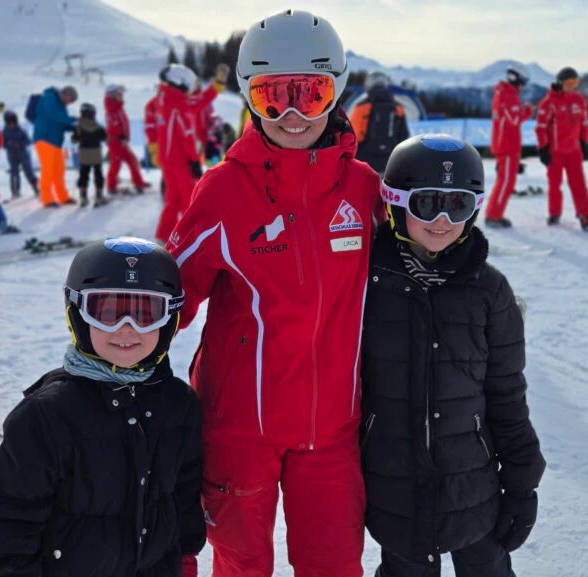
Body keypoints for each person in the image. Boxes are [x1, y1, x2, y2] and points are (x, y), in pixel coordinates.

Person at [166, 11, 381, 577]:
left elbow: (411, 268)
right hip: (239, 434)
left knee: (334, 565)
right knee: (241, 565)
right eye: (271, 97)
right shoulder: (222, 191)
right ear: (248, 97)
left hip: (332, 430)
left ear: (335, 93)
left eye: (309, 96)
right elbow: (170, 300)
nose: (290, 115)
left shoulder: (362, 190)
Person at [363, 134, 546, 577]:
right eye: (427, 203)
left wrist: (522, 484)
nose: (443, 220)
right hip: (395, 490)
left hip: (475, 491)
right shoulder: (366, 285)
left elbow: (507, 393)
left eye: (459, 205)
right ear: (394, 202)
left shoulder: (490, 292)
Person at [0, 237, 206, 577]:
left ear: (169, 319)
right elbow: (5, 527)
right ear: (78, 315)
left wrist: (183, 556)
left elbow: (182, 494)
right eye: (107, 312)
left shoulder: (179, 405)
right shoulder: (46, 417)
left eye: (145, 313)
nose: (127, 329)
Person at [152, 63, 224, 244]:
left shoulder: (166, 100)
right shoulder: (179, 106)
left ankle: (163, 234)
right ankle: (190, 237)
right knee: (189, 199)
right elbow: (187, 136)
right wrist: (193, 160)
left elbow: (196, 102)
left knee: (173, 199)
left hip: (168, 160)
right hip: (181, 161)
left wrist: (216, 86)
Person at [536, 67, 588, 230]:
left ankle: (585, 215)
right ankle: (554, 214)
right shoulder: (548, 102)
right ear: (560, 83)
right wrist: (543, 148)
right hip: (555, 152)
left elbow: (584, 123)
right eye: (569, 83)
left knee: (579, 183)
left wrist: (583, 142)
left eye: (575, 82)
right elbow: (541, 127)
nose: (573, 86)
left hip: (573, 150)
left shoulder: (579, 100)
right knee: (554, 185)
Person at [485, 68, 533, 229]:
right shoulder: (508, 95)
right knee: (506, 182)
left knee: (505, 181)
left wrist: (522, 110)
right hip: (507, 146)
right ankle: (493, 216)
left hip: (506, 144)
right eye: (522, 83)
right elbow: (515, 119)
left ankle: (494, 214)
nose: (522, 87)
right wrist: (527, 111)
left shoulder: (503, 93)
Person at [348, 72, 410, 174]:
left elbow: (353, 136)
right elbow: (403, 136)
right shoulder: (398, 107)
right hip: (391, 163)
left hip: (365, 163)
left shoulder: (361, 107)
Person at [33, 85, 78, 207]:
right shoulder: (49, 97)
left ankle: (63, 197)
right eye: (70, 99)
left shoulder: (62, 106)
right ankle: (47, 199)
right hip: (44, 138)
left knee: (59, 171)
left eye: (72, 101)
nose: (70, 102)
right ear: (65, 93)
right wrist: (73, 120)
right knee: (48, 170)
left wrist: (75, 126)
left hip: (56, 142)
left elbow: (61, 123)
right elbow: (52, 114)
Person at [104, 84, 150, 194]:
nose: (121, 96)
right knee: (116, 164)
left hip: (121, 142)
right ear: (113, 95)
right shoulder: (112, 107)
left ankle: (138, 183)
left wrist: (124, 137)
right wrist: (121, 136)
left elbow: (122, 123)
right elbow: (112, 125)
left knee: (132, 160)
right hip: (115, 142)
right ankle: (111, 186)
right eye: (119, 94)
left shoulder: (118, 107)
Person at [72, 102, 108, 207]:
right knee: (98, 174)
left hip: (83, 153)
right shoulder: (98, 126)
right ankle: (99, 196)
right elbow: (106, 138)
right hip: (96, 152)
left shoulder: (79, 127)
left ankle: (83, 197)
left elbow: (75, 139)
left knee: (84, 174)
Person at [1, 110, 38, 199]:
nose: (12, 125)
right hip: (12, 154)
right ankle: (15, 191)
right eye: (10, 123)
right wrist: (8, 144)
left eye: (14, 122)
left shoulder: (21, 129)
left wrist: (21, 143)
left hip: (23, 153)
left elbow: (28, 141)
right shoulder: (4, 131)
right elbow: (2, 143)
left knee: (28, 171)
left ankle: (36, 188)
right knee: (14, 172)